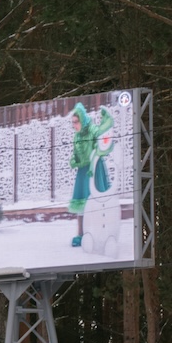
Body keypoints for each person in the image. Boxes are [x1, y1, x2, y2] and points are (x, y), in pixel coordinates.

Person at [70, 103, 114, 249]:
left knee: (95, 201)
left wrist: (106, 121)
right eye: (73, 122)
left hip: (94, 169)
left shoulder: (93, 130)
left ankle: (98, 233)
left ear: (82, 120)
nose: (74, 125)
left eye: (76, 122)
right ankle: (81, 234)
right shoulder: (76, 137)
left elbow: (102, 140)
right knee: (81, 201)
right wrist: (74, 160)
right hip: (83, 171)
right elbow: (76, 154)